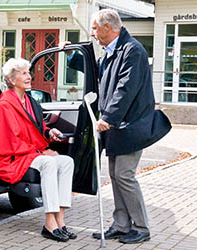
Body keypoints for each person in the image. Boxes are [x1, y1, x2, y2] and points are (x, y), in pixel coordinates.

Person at [60, 9, 171, 244]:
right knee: (115, 175)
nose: (92, 33)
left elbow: (125, 89)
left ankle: (141, 227)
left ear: (108, 28)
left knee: (124, 175)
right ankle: (121, 225)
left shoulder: (133, 51)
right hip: (116, 127)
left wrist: (107, 117)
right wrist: (72, 55)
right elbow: (97, 71)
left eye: (94, 28)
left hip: (131, 126)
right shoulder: (112, 52)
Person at [0, 58, 77, 242]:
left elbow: (38, 127)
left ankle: (60, 219)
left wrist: (50, 132)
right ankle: (49, 223)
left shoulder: (30, 101)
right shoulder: (5, 105)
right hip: (12, 157)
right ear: (12, 80)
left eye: (29, 72)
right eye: (24, 73)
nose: (29, 76)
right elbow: (8, 141)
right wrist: (40, 153)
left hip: (29, 152)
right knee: (49, 162)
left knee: (67, 161)